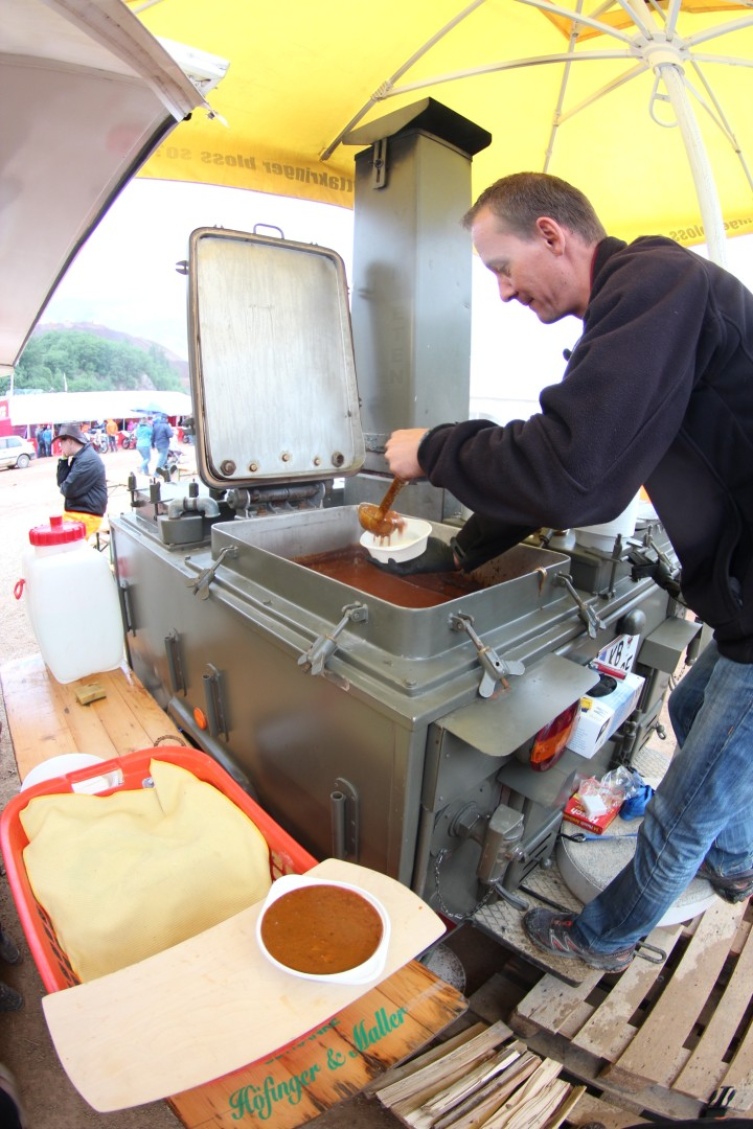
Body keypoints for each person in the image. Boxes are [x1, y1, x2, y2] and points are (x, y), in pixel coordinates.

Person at [384, 171, 753, 974]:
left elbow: (575, 474)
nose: (504, 291)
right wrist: (455, 553)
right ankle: (738, 852)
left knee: (681, 807)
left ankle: (600, 940)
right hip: (737, 599)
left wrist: (433, 449)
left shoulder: (659, 283)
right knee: (693, 709)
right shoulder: (636, 318)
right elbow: (572, 458)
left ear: (552, 234)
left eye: (501, 267)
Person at [55, 422, 108, 538]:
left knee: (60, 543)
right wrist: (64, 459)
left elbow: (67, 490)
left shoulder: (87, 461)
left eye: (61, 442)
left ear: (69, 441)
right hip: (79, 513)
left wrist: (64, 485)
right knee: (54, 537)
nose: (60, 446)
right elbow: (61, 483)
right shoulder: (81, 457)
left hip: (87, 515)